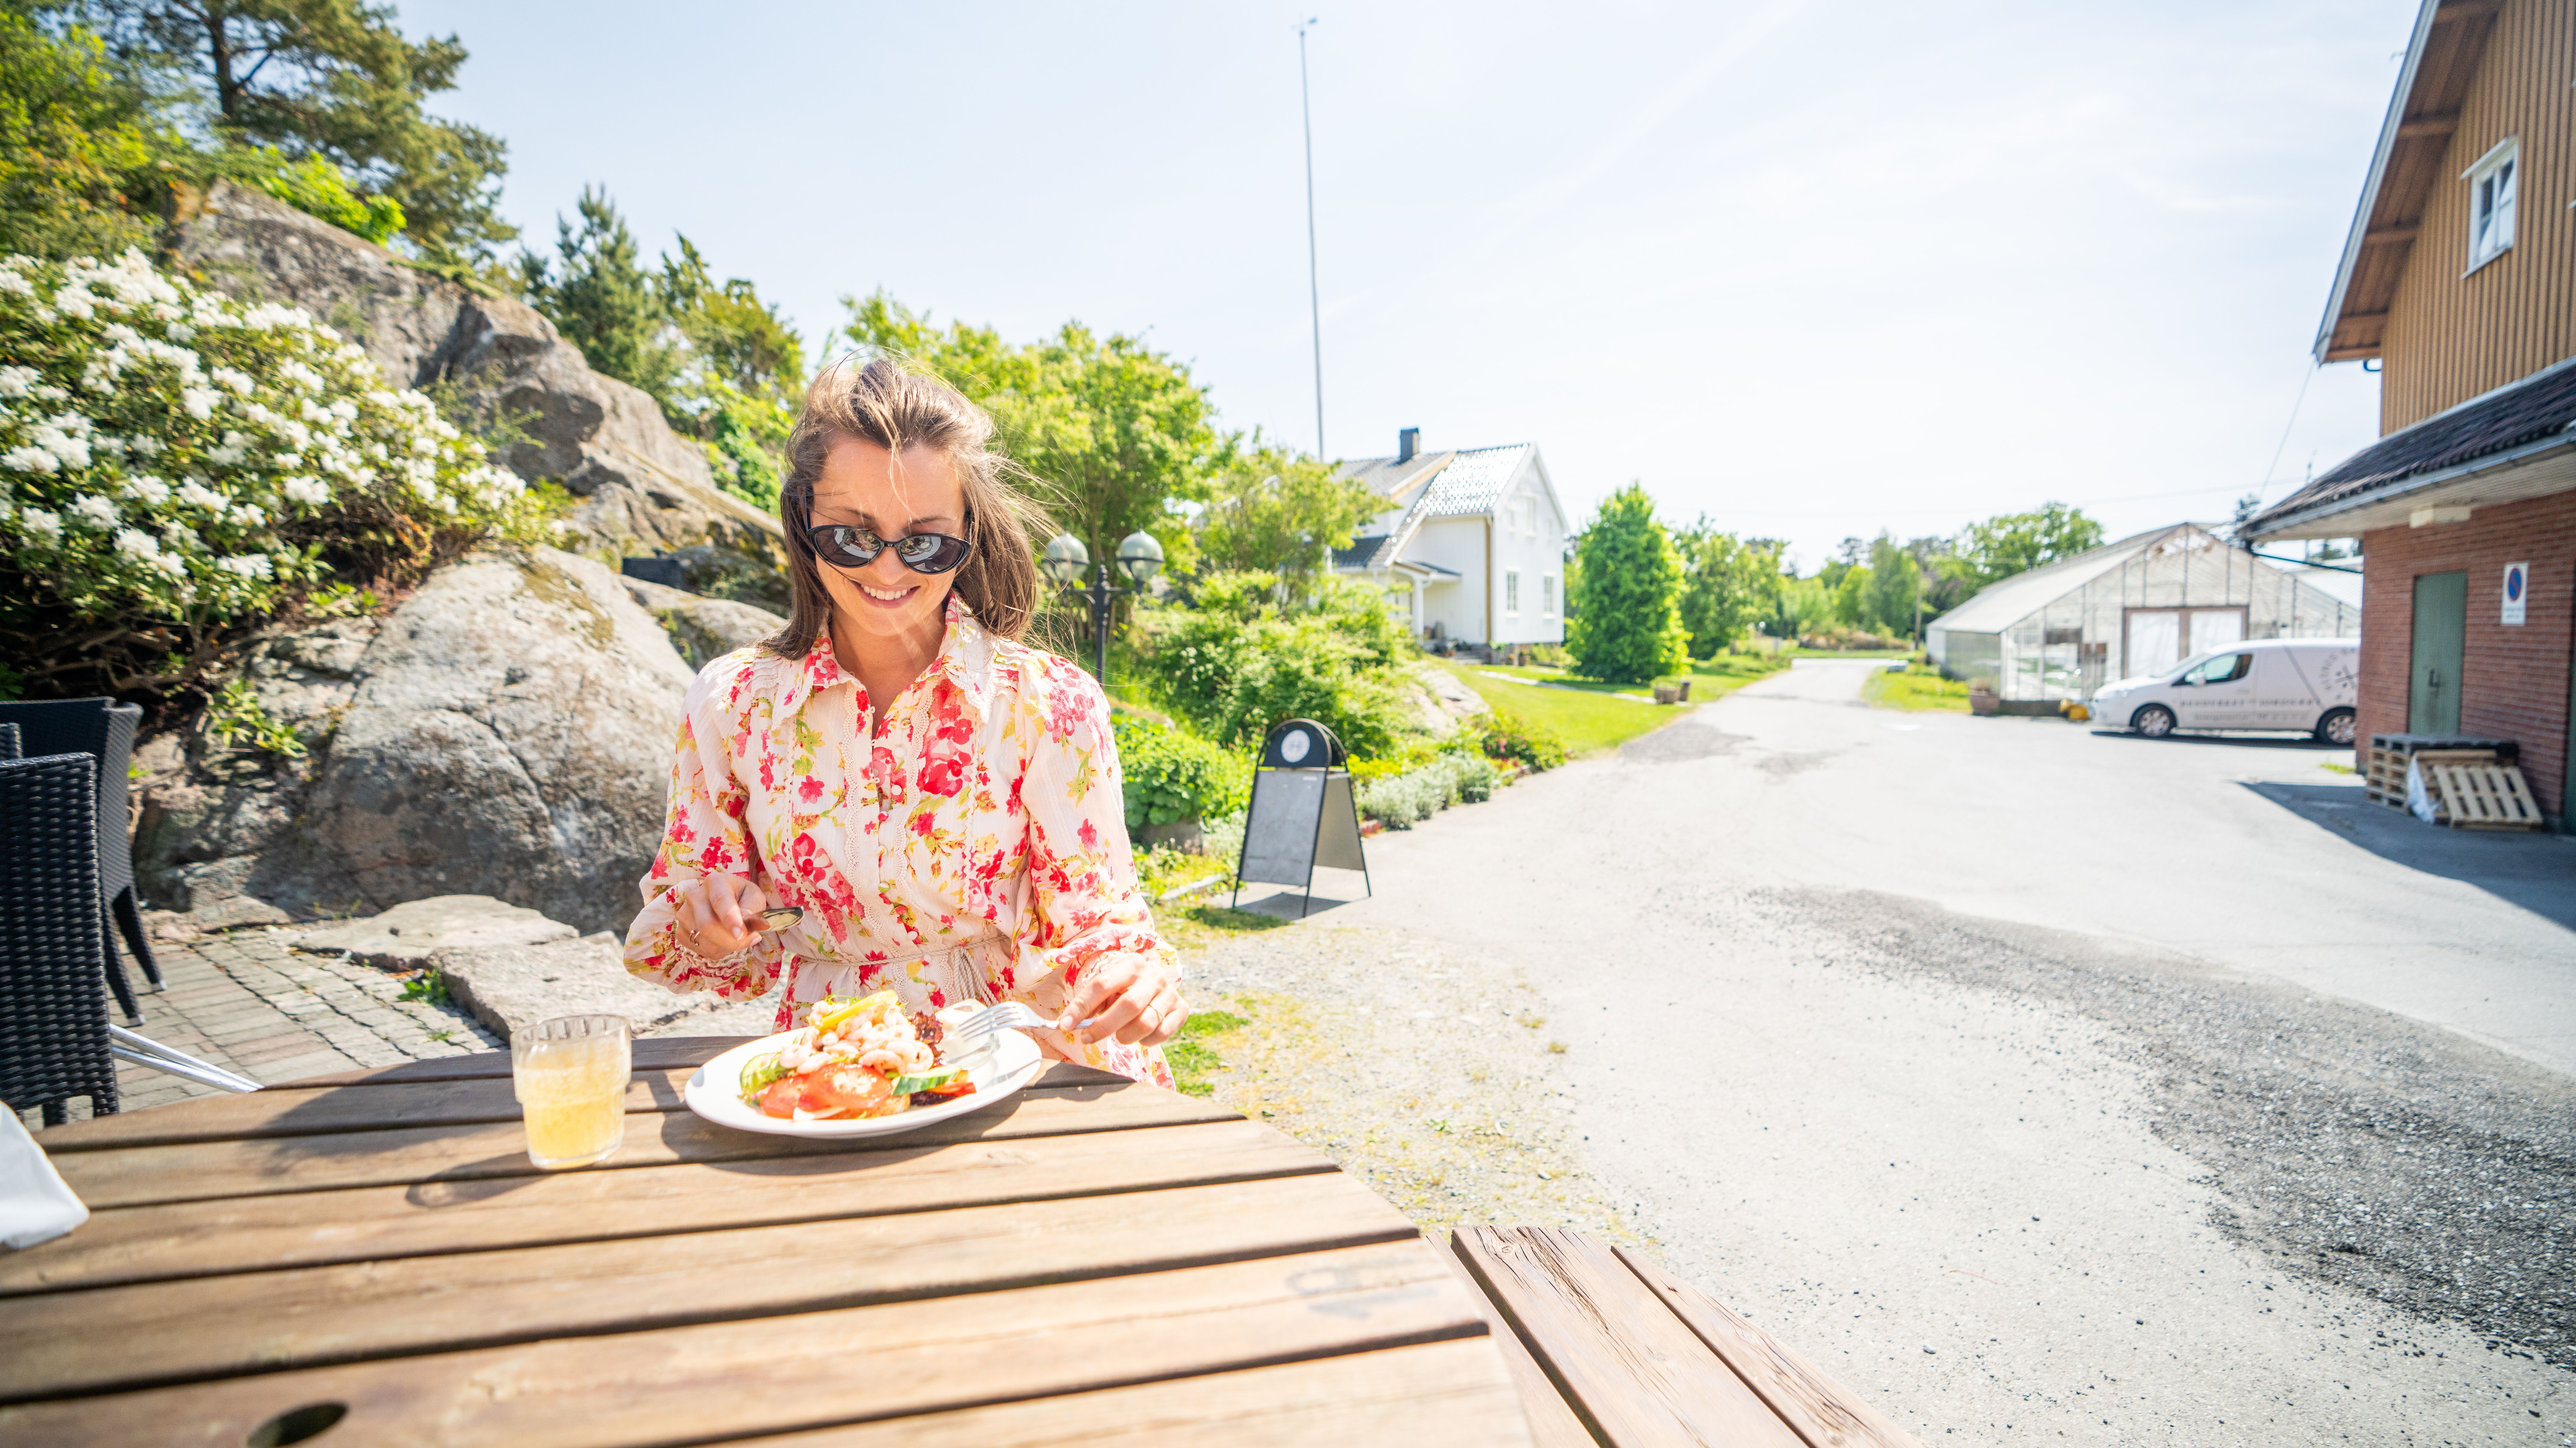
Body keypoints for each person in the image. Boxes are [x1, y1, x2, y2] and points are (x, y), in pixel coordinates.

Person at [621, 356, 1185, 1084]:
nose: (888, 573)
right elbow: (688, 922)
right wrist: (713, 922)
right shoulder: (732, 704)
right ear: (804, 521)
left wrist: (1133, 977)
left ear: (969, 535)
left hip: (1028, 1059)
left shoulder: (1049, 701)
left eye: (923, 542)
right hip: (836, 1075)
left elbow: (1097, 917)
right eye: (852, 537)